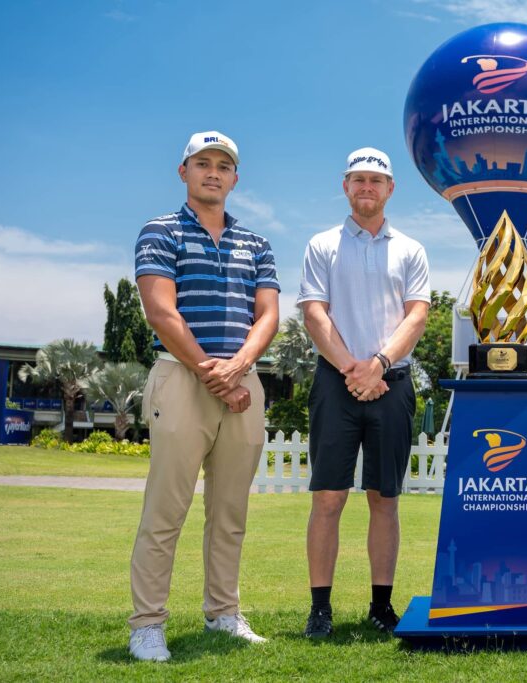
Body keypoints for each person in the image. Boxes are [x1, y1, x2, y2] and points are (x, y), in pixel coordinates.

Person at [129, 131, 280, 661]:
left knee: (230, 511)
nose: (213, 172)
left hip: (243, 382)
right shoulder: (160, 231)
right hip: (180, 377)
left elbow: (268, 315)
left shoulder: (256, 243)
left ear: (235, 178)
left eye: (223, 165)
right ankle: (147, 624)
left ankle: (223, 613)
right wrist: (213, 373)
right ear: (184, 172)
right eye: (202, 163)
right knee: (165, 510)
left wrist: (237, 367)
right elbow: (161, 311)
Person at [297, 147, 430, 638]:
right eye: (358, 179)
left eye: (376, 180)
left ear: (390, 188)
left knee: (384, 498)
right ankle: (320, 609)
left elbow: (416, 316)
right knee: (328, 498)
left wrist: (377, 366)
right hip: (336, 382)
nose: (367, 187)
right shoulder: (322, 245)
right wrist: (352, 369)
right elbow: (315, 313)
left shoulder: (411, 249)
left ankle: (381, 606)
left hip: (391, 381)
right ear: (345, 186)